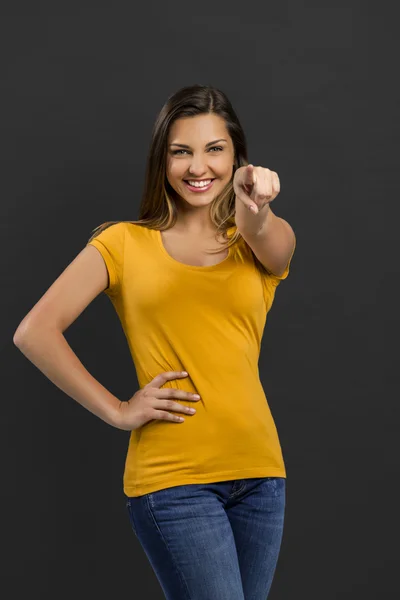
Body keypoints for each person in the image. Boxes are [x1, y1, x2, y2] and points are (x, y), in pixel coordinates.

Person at [13, 84, 296, 599]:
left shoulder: (258, 242)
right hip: (174, 483)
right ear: (161, 160)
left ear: (237, 157)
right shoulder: (123, 243)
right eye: (181, 151)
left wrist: (256, 205)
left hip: (261, 478)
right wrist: (119, 409)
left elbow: (266, 233)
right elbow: (34, 332)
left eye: (215, 149)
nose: (197, 167)